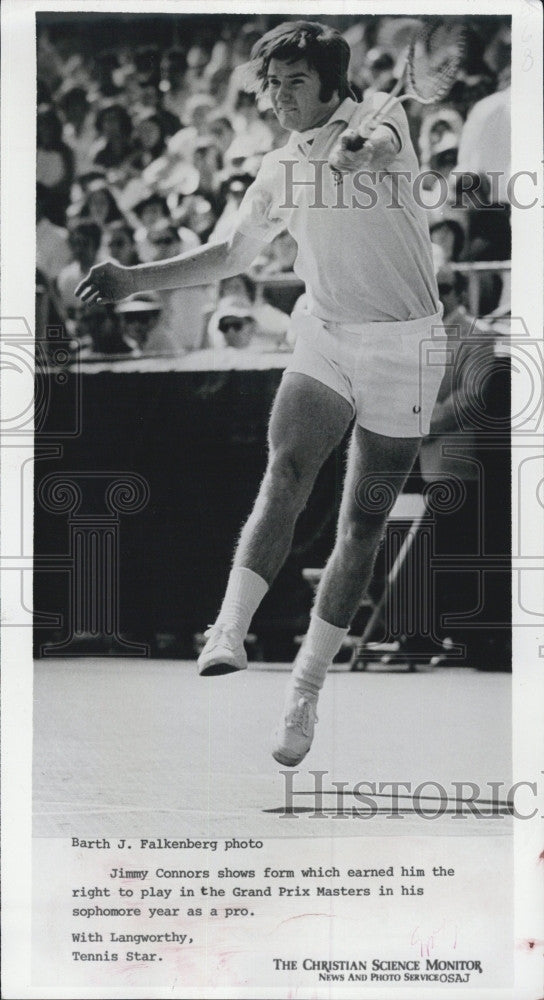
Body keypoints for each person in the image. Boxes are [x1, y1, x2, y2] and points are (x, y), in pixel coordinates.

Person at [76, 20, 446, 767]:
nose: (278, 97)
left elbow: (375, 149)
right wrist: (131, 280)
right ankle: (227, 629)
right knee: (285, 471)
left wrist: (356, 153)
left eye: (293, 83)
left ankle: (304, 691)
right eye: (271, 85)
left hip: (406, 346)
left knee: (360, 527)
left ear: (331, 83)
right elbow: (230, 255)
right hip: (326, 334)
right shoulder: (276, 168)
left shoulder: (384, 116)